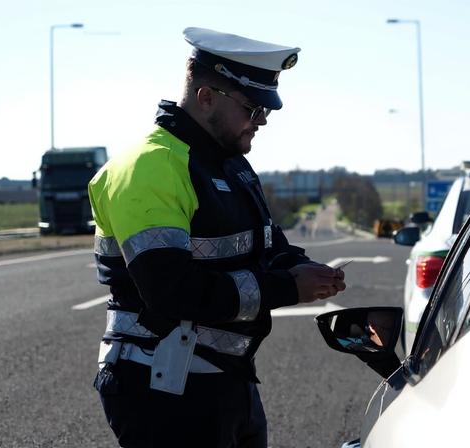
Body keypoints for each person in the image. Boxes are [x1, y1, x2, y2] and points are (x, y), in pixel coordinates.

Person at [88, 27, 346, 448]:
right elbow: (172, 291)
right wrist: (285, 287)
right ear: (206, 96)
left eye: (266, 110)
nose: (261, 120)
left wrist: (302, 268)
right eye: (252, 107)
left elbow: (266, 244)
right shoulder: (151, 167)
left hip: (224, 380)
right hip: (164, 391)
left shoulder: (230, 164)